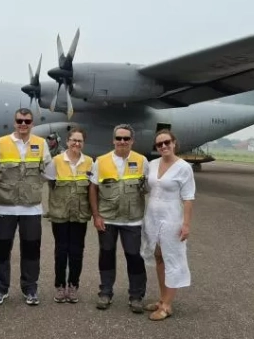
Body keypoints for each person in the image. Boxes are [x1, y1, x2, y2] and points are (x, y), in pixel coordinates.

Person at [0, 108, 52, 306]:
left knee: (32, 250)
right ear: (14, 122)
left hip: (32, 208)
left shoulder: (41, 144)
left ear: (32, 123)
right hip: (5, 207)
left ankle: (30, 289)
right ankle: (0, 289)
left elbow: (49, 172)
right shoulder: (1, 143)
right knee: (3, 251)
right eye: (20, 120)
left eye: (27, 121)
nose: (23, 124)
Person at [88, 123, 149, 313]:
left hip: (133, 220)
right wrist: (96, 215)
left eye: (126, 138)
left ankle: (136, 296)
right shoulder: (101, 161)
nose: (122, 142)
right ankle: (105, 292)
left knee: (134, 258)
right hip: (108, 219)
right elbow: (93, 188)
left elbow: (148, 187)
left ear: (132, 141)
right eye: (119, 138)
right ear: (113, 140)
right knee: (106, 256)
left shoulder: (142, 161)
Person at [141, 129, 195, 321]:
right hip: (153, 216)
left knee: (171, 258)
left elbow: (188, 198)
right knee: (158, 257)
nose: (163, 146)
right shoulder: (153, 164)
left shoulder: (184, 167)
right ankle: (162, 298)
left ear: (174, 143)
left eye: (166, 142)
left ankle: (167, 305)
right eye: (159, 144)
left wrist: (186, 224)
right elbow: (146, 187)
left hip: (172, 218)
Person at [42, 127, 92, 304]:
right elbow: (51, 183)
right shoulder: (56, 161)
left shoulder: (89, 162)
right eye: (73, 140)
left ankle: (73, 285)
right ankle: (60, 285)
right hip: (60, 214)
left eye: (80, 141)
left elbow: (91, 189)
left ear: (83, 143)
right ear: (68, 141)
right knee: (61, 251)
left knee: (77, 251)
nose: (76, 144)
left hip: (80, 214)